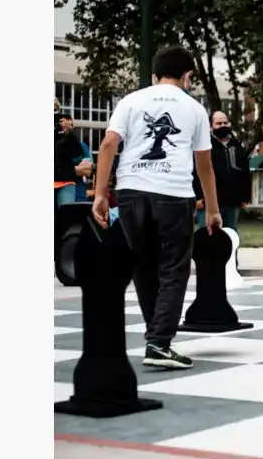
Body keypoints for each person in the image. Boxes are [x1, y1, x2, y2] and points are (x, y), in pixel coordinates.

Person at [90, 45, 219, 370]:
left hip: (132, 191)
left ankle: (156, 339)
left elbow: (108, 144)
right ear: (188, 75)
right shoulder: (194, 109)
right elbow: (204, 164)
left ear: (154, 74)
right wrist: (213, 209)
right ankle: (159, 342)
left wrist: (100, 193)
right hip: (173, 194)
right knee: (174, 269)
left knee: (143, 267)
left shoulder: (131, 101)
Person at [191, 111, 252, 232]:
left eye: (225, 122)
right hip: (208, 200)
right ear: (211, 126)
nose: (223, 125)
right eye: (219, 123)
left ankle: (231, 252)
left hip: (232, 199)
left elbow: (245, 170)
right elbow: (195, 171)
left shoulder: (236, 145)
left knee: (231, 235)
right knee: (208, 235)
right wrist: (197, 196)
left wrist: (246, 196)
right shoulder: (204, 145)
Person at [54, 112, 91, 208]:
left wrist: (62, 170)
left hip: (77, 195)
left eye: (70, 125)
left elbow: (86, 169)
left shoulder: (81, 145)